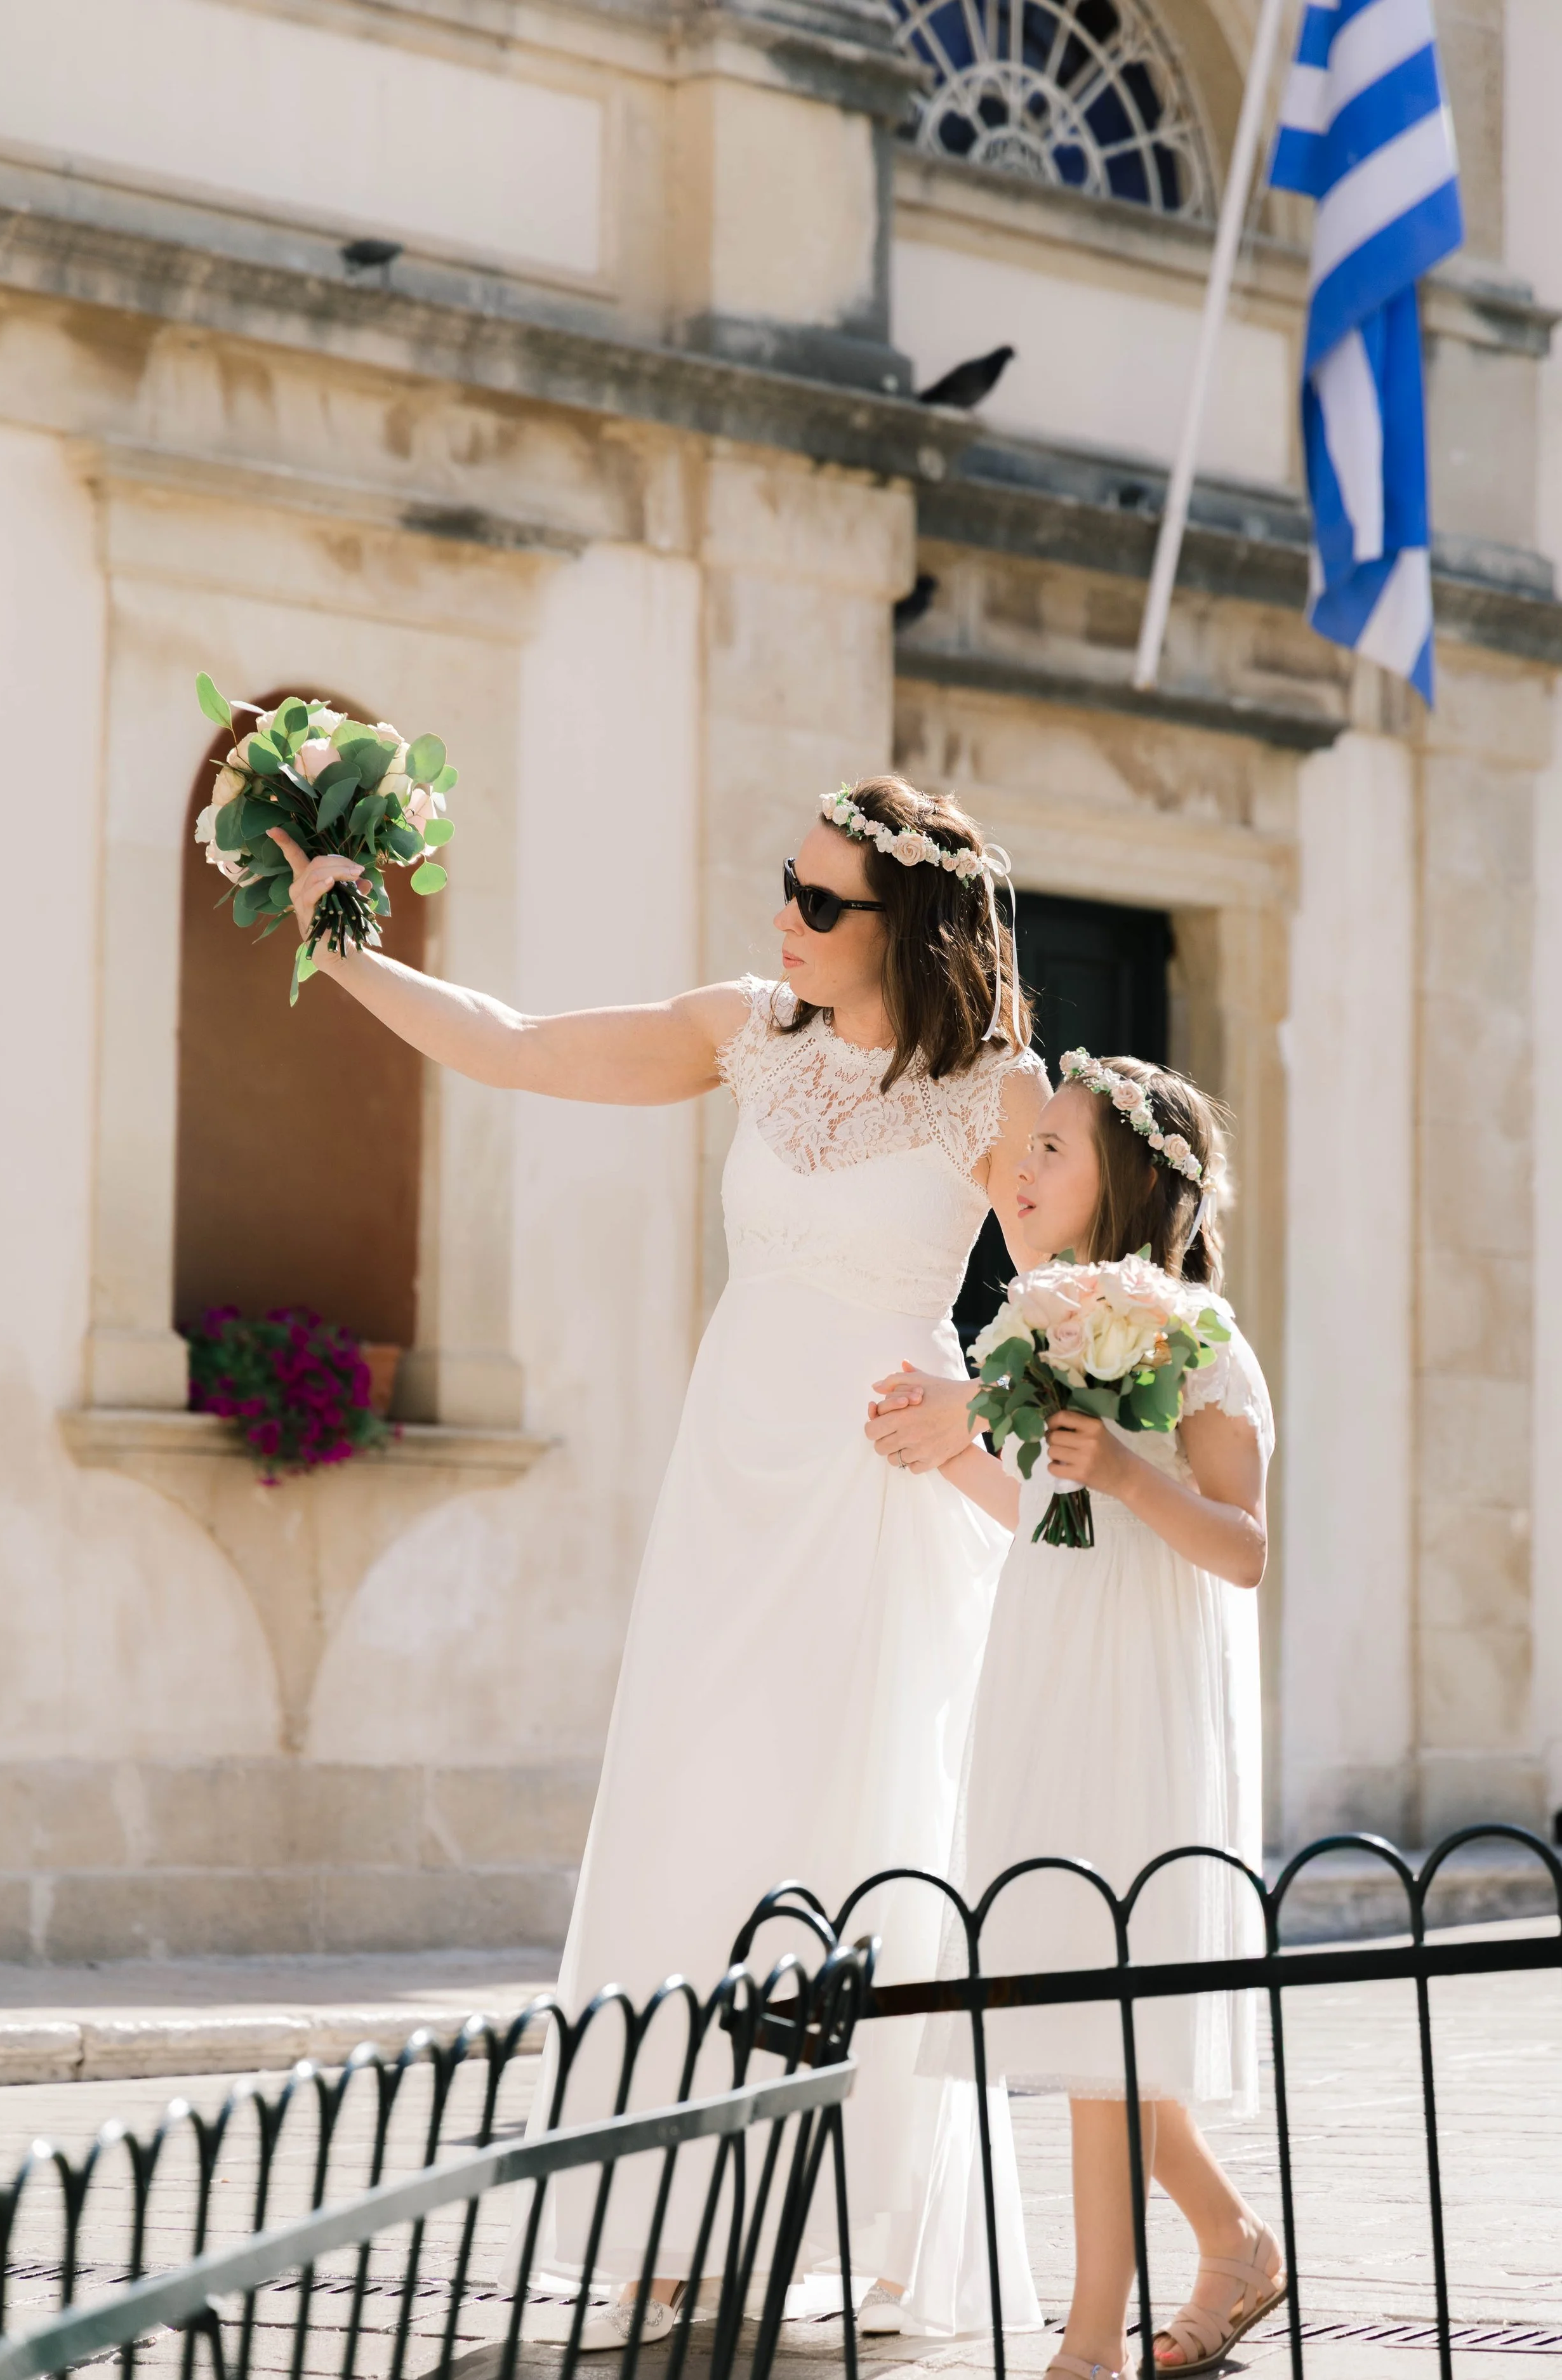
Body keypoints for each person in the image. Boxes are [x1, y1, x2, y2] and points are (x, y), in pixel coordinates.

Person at [267, 775, 1050, 2344]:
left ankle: (878, 2218)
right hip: (728, 1485)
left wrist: (969, 1410)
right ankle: (667, 2231)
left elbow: (1069, 1319)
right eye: (787, 882)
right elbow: (514, 1043)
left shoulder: (994, 1092)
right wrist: (341, 942)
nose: (785, 915)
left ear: (904, 924)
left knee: (864, 1834)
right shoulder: (740, 1031)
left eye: (820, 902)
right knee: (694, 1811)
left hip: (874, 1499)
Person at [877, 1053, 1284, 2376]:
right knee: (1074, 1991)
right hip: (1049, 1671)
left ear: (1124, 1180)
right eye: (1025, 1146)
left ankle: (1088, 2340)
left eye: (1051, 1147)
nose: (1021, 1168)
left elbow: (1237, 1548)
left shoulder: (1200, 1341)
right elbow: (1057, 1525)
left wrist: (1119, 1464)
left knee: (1106, 1995)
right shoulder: (1028, 1328)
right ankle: (1228, 2247)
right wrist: (954, 1456)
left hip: (1143, 1694)